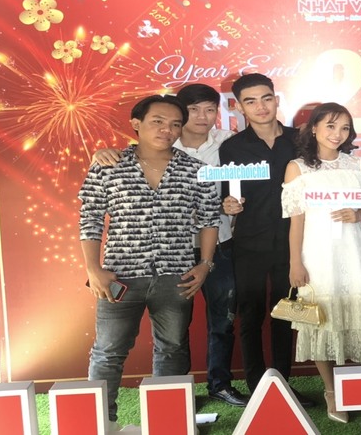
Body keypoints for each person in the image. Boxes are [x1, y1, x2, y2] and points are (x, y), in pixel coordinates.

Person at [91, 84, 248, 407]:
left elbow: (208, 219)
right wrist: (94, 269)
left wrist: (205, 264)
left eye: (174, 124)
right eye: (158, 122)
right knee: (108, 350)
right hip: (120, 274)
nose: (168, 129)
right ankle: (100, 418)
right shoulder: (109, 165)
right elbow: (89, 218)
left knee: (173, 348)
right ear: (136, 123)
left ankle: (169, 415)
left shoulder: (196, 168)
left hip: (177, 274)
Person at [281, 102, 361, 423]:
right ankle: (331, 391)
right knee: (321, 320)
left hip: (354, 252)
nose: (337, 134)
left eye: (344, 128)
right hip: (316, 254)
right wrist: (295, 263)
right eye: (330, 126)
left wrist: (359, 213)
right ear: (313, 128)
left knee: (360, 318)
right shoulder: (297, 168)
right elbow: (296, 222)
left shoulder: (357, 165)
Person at [219, 73, 314, 407]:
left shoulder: (300, 140)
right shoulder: (232, 147)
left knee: (286, 314)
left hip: (294, 243)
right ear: (239, 107)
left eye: (266, 98)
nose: (260, 107)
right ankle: (258, 387)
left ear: (276, 100)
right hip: (250, 243)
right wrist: (228, 204)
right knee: (250, 315)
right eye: (251, 101)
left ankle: (283, 386)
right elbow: (225, 194)